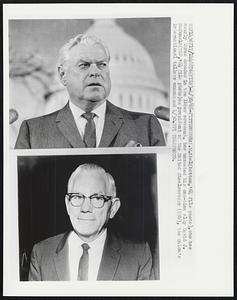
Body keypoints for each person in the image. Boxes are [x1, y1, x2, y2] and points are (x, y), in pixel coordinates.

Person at [15, 34, 165, 149]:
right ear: (62, 75)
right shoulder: (33, 132)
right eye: (84, 65)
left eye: (102, 64)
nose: (95, 72)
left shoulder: (146, 127)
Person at [28, 163, 154, 281]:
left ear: (113, 208)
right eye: (77, 197)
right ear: (67, 204)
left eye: (97, 198)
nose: (85, 208)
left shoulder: (138, 256)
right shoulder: (41, 253)